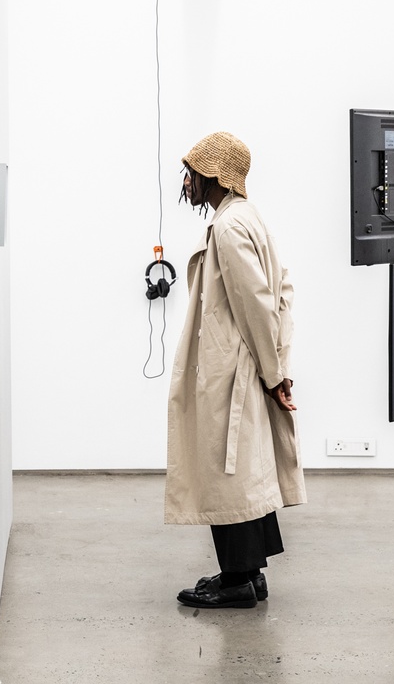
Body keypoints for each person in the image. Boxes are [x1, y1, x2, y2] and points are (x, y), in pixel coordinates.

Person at [165, 131, 306, 609]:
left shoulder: (228, 227)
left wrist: (272, 374)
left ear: (214, 177)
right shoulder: (246, 217)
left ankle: (238, 581)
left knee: (228, 474)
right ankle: (248, 575)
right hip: (243, 365)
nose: (186, 185)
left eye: (192, 175)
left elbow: (258, 303)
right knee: (242, 472)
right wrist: (277, 367)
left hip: (234, 371)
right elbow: (282, 288)